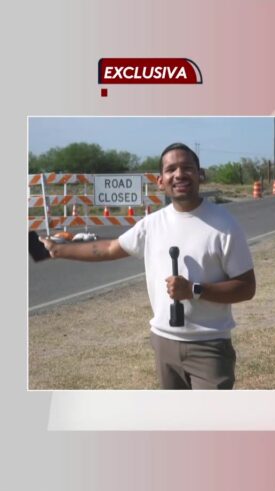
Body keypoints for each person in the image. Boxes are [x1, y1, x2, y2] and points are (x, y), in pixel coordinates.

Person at [41, 143, 256, 389]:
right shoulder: (152, 224)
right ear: (160, 181)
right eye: (171, 169)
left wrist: (195, 290)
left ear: (200, 174)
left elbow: (247, 287)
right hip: (164, 343)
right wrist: (56, 250)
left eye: (187, 167)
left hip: (209, 346)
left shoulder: (225, 225)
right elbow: (110, 248)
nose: (179, 174)